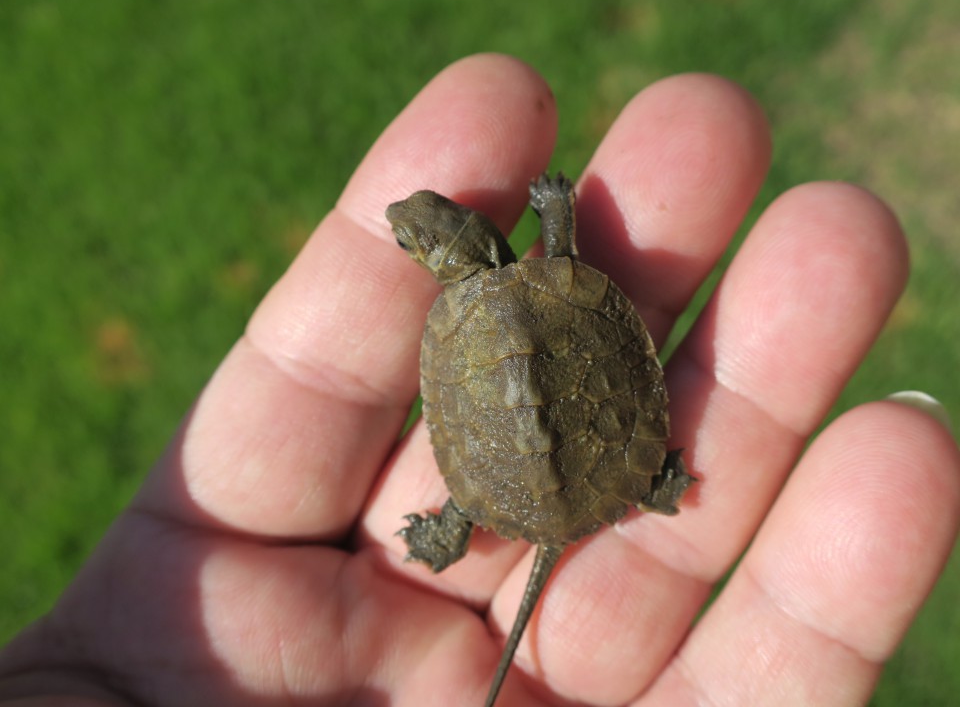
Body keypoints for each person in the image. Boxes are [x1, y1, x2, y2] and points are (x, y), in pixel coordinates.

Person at [0, 54, 957, 707]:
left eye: (422, 233)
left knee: (505, 464)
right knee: (585, 425)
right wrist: (557, 211)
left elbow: (541, 307)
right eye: (422, 229)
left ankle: (463, 529)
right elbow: (573, 269)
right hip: (591, 450)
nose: (416, 234)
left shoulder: (454, 317)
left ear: (443, 257)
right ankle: (646, 484)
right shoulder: (548, 273)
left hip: (509, 476)